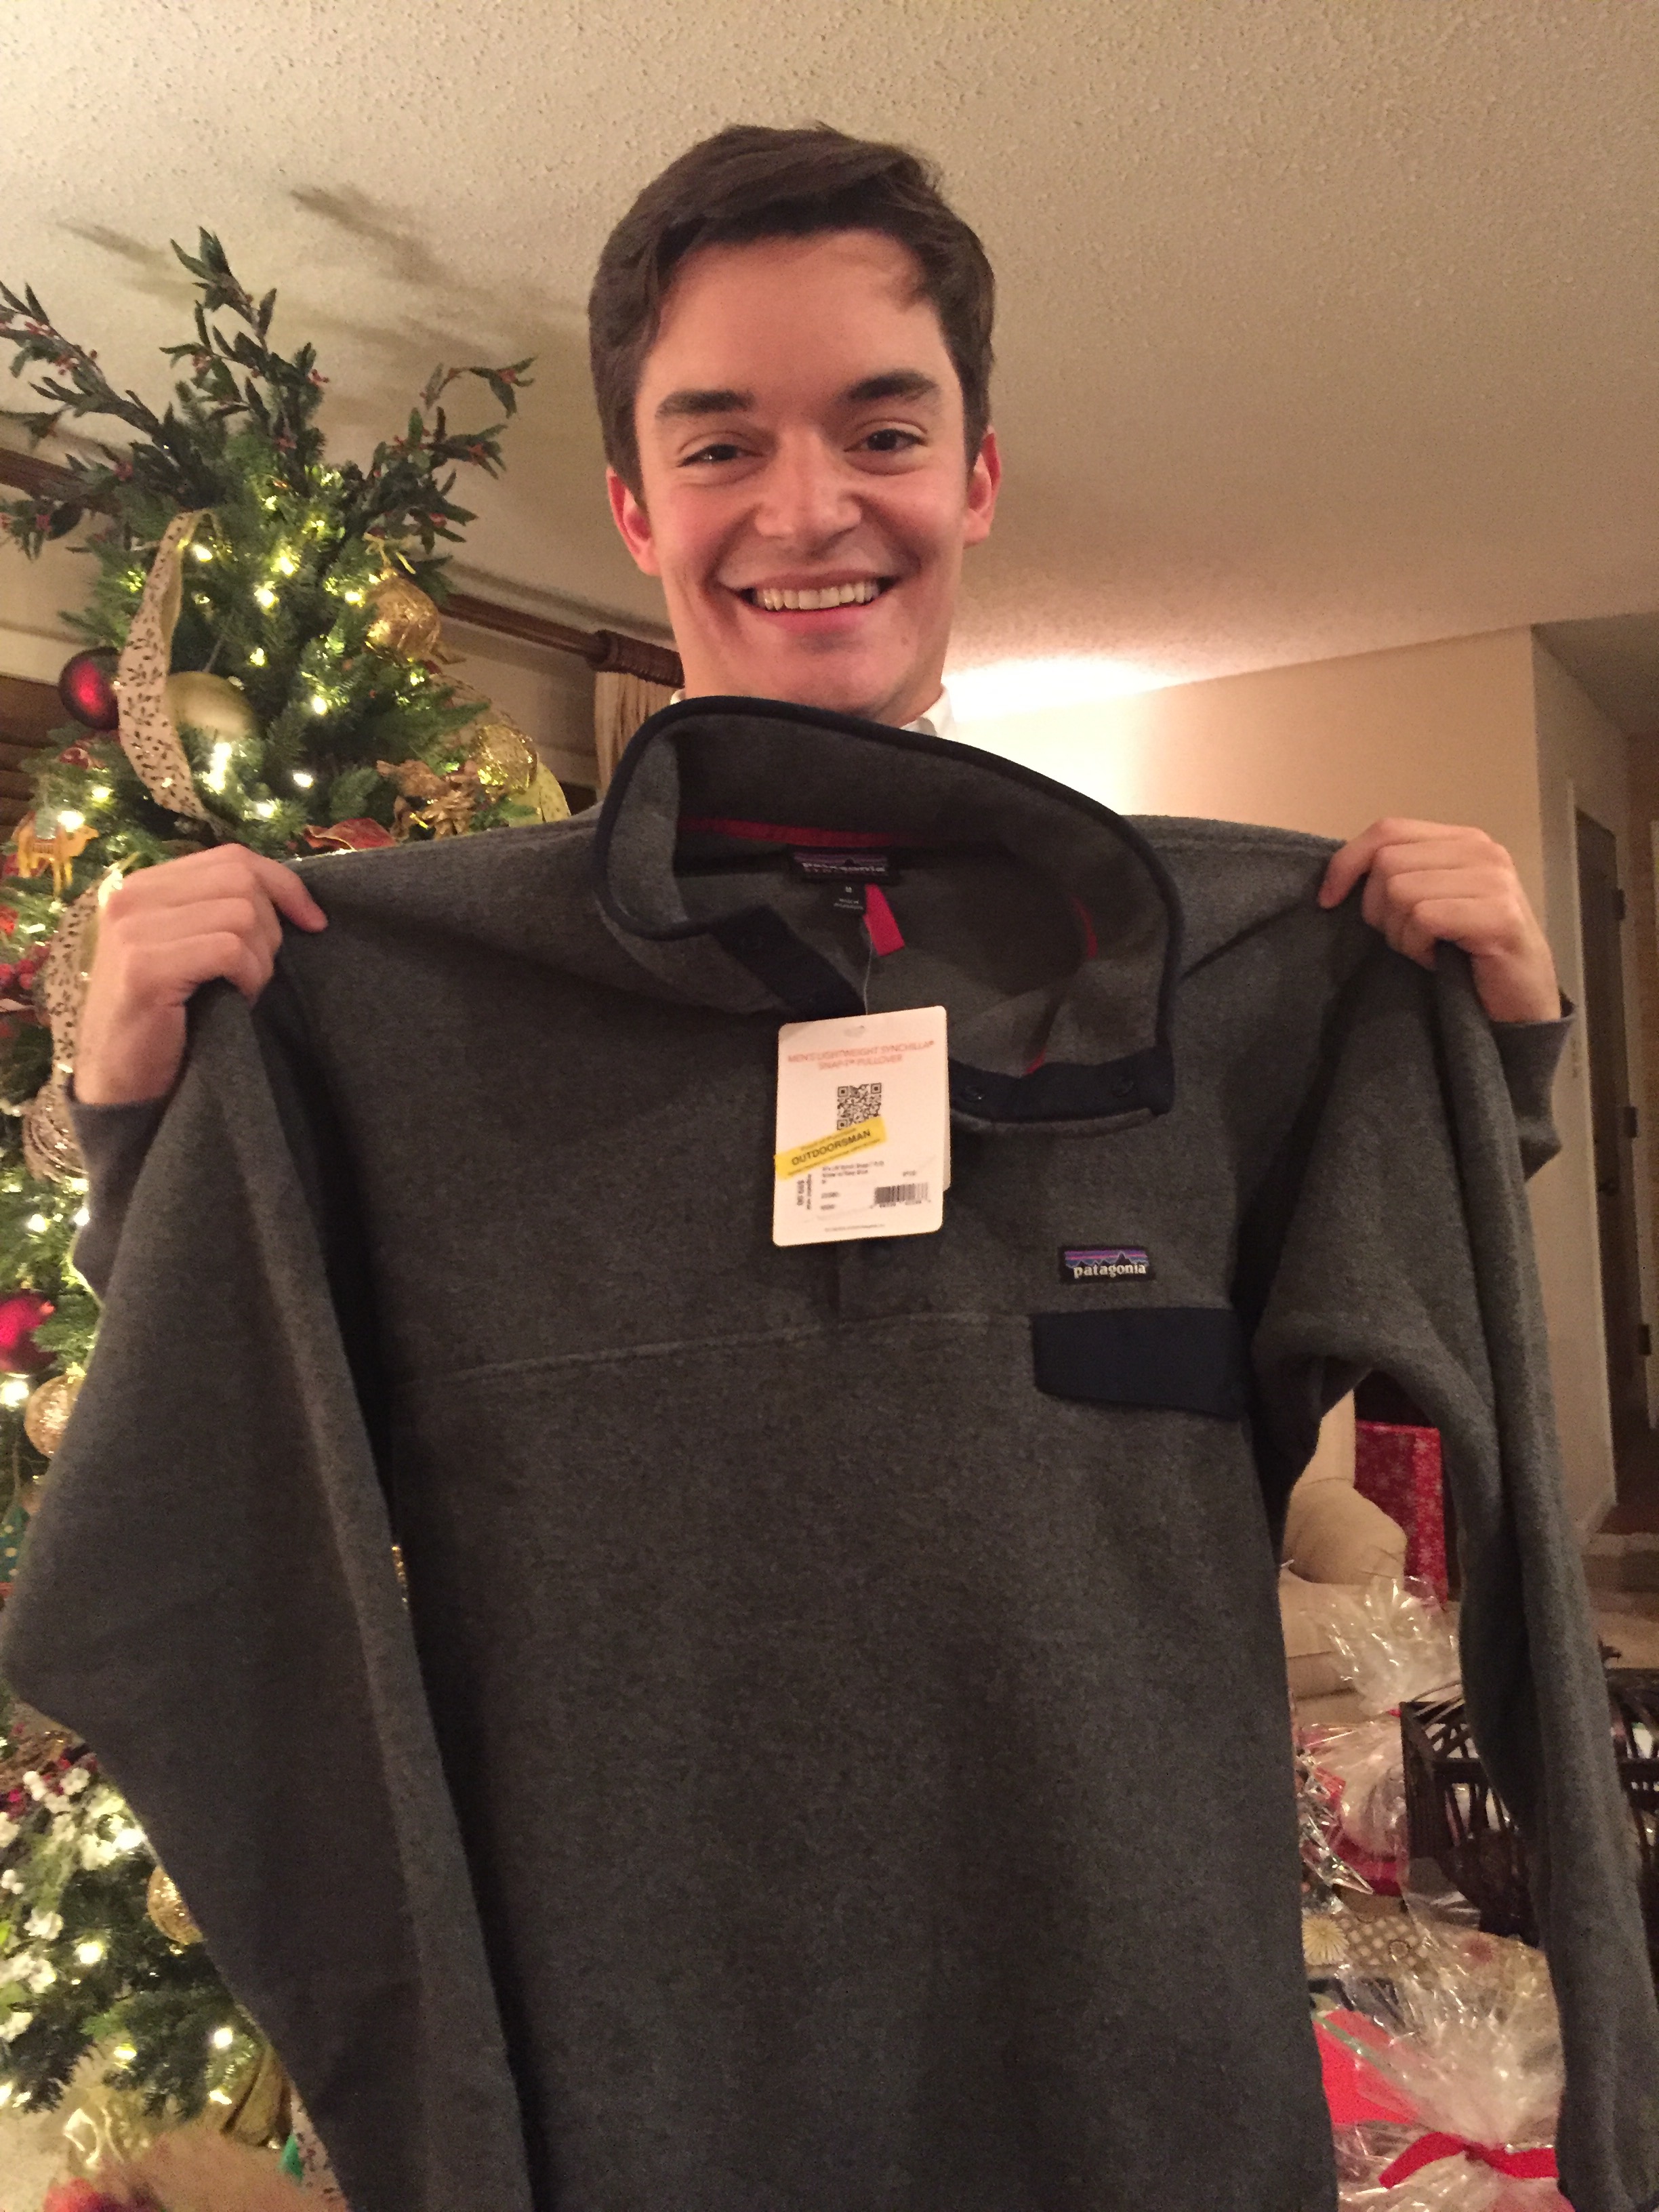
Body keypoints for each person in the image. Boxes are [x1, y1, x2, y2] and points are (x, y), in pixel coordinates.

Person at [70, 126, 1561, 1110]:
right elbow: (241, 1405)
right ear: (636, 514)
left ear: (975, 481)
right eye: (722, 448)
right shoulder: (414, 989)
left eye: (883, 436)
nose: (804, 514)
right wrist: (140, 1111)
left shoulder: (1194, 959)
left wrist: (1481, 1050)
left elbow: (1403, 1303)